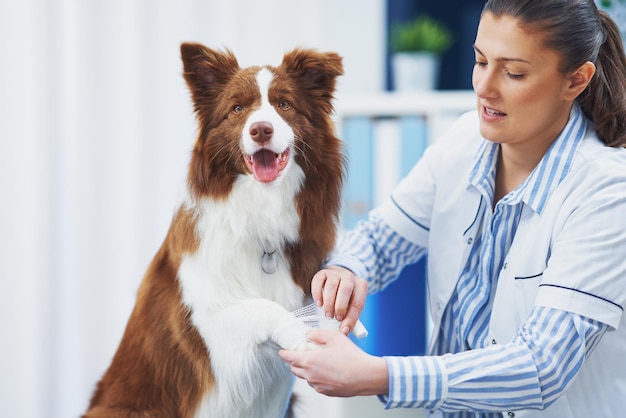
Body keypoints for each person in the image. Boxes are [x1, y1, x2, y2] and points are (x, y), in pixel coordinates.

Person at [279, 0, 626, 416]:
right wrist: (347, 269)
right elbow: (380, 239)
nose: (485, 87)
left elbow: (541, 366)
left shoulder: (607, 191)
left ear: (576, 80)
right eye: (480, 61)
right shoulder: (464, 140)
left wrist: (379, 375)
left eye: (513, 72)